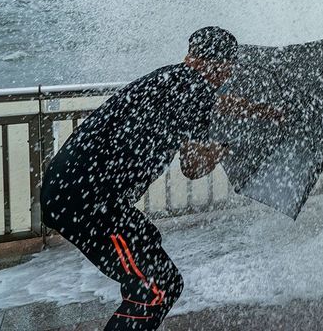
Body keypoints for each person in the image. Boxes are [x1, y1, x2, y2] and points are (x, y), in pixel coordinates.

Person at [40, 26, 281, 330]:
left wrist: (263, 111)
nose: (229, 77)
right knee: (156, 287)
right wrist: (229, 145)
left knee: (153, 258)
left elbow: (219, 105)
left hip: (82, 194)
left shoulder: (173, 79)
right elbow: (193, 167)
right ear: (217, 65)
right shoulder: (193, 90)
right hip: (88, 202)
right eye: (229, 69)